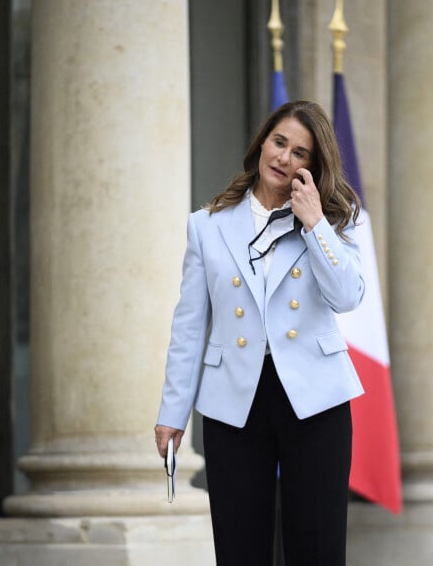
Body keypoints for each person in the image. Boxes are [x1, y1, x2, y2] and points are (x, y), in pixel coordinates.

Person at [155, 100, 365, 565]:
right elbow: (189, 325)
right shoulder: (206, 227)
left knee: (317, 548)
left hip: (314, 400)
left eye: (300, 152)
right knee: (239, 548)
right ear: (262, 142)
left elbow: (348, 296)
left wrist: (312, 224)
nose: (285, 157)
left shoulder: (327, 221)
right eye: (279, 142)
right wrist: (172, 412)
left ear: (313, 165)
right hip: (235, 401)